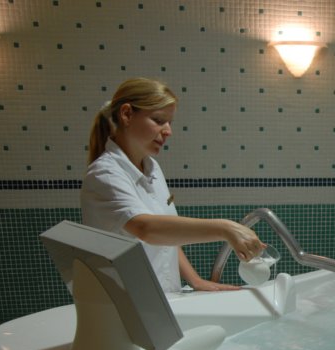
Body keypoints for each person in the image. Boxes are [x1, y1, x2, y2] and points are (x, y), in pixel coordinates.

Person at [81, 77, 264, 293]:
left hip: (163, 296)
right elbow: (146, 228)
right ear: (127, 114)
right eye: (159, 120)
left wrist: (196, 281)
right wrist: (224, 228)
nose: (168, 131)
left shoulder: (151, 168)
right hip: (127, 300)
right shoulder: (106, 174)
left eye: (170, 122)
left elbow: (166, 234)